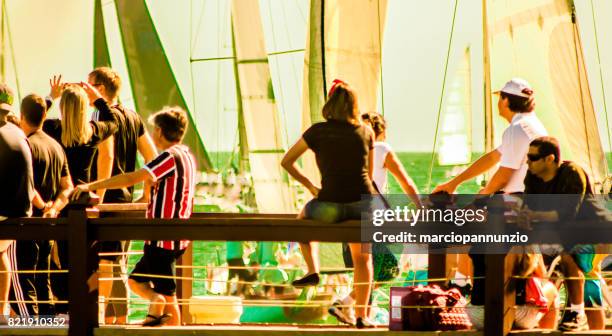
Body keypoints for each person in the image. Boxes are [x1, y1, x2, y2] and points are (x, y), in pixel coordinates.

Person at [71, 107, 196, 327]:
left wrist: (93, 185)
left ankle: (172, 328)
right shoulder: (187, 156)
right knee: (135, 281)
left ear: (158, 131)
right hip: (174, 238)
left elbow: (132, 178)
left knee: (169, 297)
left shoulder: (169, 156)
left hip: (162, 240)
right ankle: (155, 308)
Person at [281, 80, 375, 328]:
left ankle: (313, 271)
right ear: (354, 106)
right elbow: (369, 175)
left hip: (329, 205)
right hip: (360, 206)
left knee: (302, 221)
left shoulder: (317, 131)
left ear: (330, 104)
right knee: (363, 259)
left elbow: (287, 162)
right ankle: (361, 316)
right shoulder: (367, 132)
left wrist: (311, 187)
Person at [328, 112, 421, 325]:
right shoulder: (382, 149)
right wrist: (421, 207)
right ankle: (347, 304)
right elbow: (406, 183)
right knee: (385, 269)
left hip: (348, 215)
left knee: (372, 268)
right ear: (382, 131)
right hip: (371, 218)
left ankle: (359, 313)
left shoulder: (349, 151)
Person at [43, 80, 119, 315]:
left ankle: (64, 309)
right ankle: (85, 311)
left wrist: (50, 97)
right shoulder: (94, 132)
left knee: (61, 259)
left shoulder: (53, 129)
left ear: (63, 108)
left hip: (62, 201)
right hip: (84, 201)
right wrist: (97, 97)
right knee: (86, 262)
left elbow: (32, 121)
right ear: (85, 108)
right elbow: (114, 122)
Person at [88, 67, 157, 324]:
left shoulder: (99, 116)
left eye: (89, 85)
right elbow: (152, 158)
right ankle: (118, 321)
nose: (85, 90)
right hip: (127, 201)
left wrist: (99, 197)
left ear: (101, 90)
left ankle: (116, 322)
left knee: (108, 265)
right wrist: (145, 195)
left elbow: (106, 156)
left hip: (109, 201)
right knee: (117, 263)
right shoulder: (133, 117)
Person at [518, 136, 607, 331]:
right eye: (527, 156)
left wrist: (533, 216)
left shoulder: (572, 172)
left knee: (579, 264)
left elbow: (567, 214)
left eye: (532, 157)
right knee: (542, 271)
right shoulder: (532, 175)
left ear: (549, 159)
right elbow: (527, 209)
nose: (527, 161)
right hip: (562, 233)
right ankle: (548, 322)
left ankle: (578, 313)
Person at [8, 94, 73, 317]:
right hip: (49, 225)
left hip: (27, 222)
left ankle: (31, 327)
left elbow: (26, 183)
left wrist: (42, 205)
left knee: (23, 278)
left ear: (22, 115)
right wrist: (54, 208)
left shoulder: (24, 145)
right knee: (42, 277)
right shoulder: (56, 147)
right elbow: (68, 187)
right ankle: (48, 324)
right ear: (45, 115)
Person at [434, 78, 548, 195]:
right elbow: (492, 158)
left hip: (519, 204)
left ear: (505, 101)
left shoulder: (518, 128)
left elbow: (503, 177)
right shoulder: (531, 124)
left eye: (499, 98)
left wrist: (481, 198)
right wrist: (453, 183)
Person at [0, 84, 35, 318]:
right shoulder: (17, 132)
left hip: (3, 213)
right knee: (1, 256)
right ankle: (1, 310)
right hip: (20, 213)